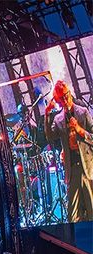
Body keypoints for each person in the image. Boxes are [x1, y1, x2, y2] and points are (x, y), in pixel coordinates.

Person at [44, 79, 93, 222]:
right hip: (72, 170)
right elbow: (50, 137)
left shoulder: (82, 112)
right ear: (58, 100)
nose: (65, 99)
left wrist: (79, 129)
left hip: (88, 167)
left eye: (66, 95)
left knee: (91, 210)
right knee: (72, 213)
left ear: (70, 93)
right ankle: (77, 242)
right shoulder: (58, 119)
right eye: (61, 97)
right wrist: (47, 115)